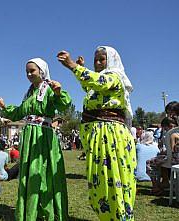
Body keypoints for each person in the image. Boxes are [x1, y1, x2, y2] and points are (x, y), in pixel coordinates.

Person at [57, 46, 136, 220]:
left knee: (113, 177)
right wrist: (81, 70)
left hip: (111, 137)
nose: (98, 63)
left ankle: (119, 216)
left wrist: (73, 66)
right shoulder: (98, 83)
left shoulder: (115, 77)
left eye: (102, 59)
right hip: (98, 138)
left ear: (112, 60)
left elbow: (100, 82)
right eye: (96, 60)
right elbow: (91, 86)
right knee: (101, 180)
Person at [0, 57, 71, 220]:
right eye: (27, 71)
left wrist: (59, 92)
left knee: (42, 171)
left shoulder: (49, 88)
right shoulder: (29, 93)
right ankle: (31, 210)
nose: (29, 74)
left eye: (32, 70)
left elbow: (63, 104)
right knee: (30, 173)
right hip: (30, 136)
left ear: (42, 71)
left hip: (42, 136)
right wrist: (4, 107)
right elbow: (18, 112)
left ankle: (47, 211)